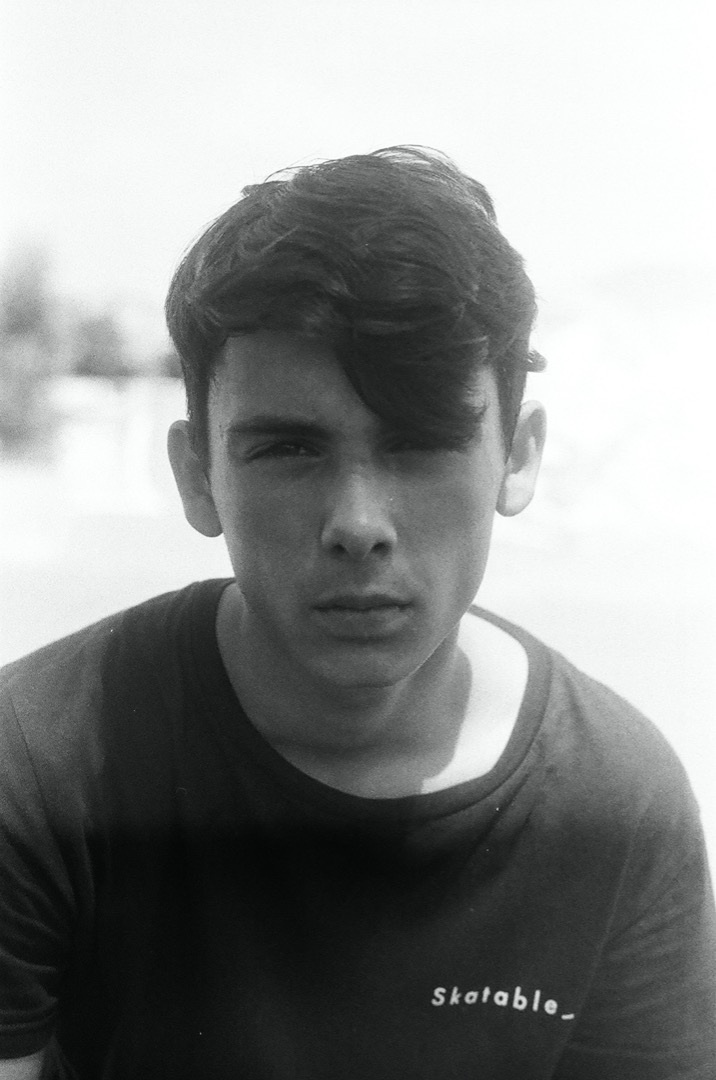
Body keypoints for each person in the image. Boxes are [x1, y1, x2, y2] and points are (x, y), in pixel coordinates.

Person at [1, 147, 714, 1080]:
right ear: (196, 475)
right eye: (290, 449)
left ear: (517, 457)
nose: (358, 524)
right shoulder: (38, 760)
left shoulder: (617, 808)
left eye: (421, 443)